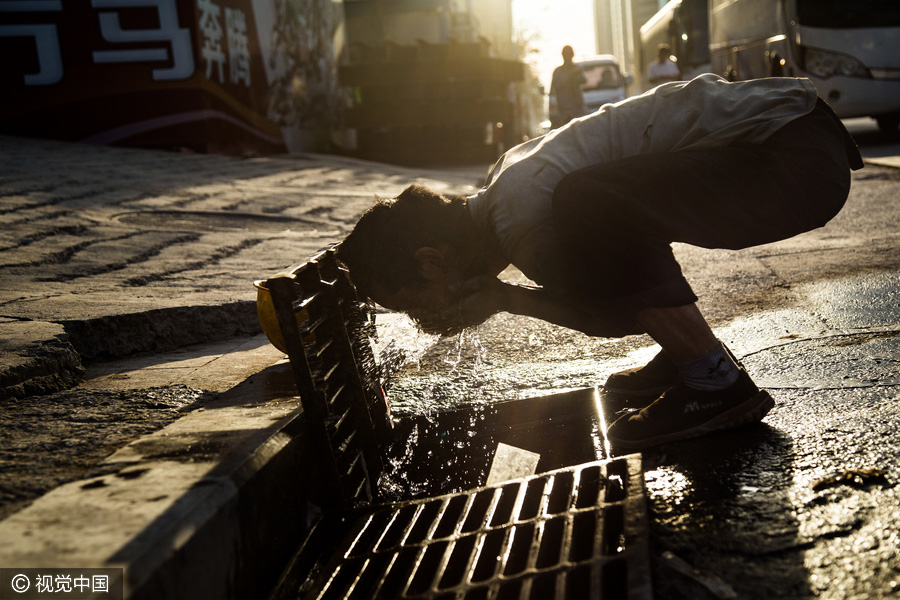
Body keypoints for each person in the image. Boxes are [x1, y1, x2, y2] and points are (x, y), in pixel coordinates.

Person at [336, 74, 863, 451]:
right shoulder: (504, 184)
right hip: (796, 136)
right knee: (600, 213)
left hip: (790, 159)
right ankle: (687, 354)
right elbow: (619, 274)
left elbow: (612, 313)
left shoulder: (519, 217)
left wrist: (506, 299)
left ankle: (712, 377)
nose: (421, 322)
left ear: (431, 262)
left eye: (410, 306)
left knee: (589, 201)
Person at [549, 45, 587, 128]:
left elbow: (583, 80)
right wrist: (567, 78)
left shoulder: (577, 69)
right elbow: (555, 86)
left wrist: (575, 75)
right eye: (565, 54)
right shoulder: (558, 72)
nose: (567, 56)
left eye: (569, 54)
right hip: (564, 111)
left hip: (578, 109)